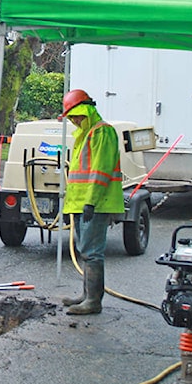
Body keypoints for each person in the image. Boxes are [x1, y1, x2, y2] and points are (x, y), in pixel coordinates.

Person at [59, 89, 126, 315]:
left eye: (77, 116)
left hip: (96, 203)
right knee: (85, 250)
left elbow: (100, 171)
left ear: (87, 111)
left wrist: (91, 202)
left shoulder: (101, 133)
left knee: (92, 252)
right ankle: (87, 295)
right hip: (82, 203)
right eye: (72, 118)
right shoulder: (85, 135)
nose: (75, 121)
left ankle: (93, 301)